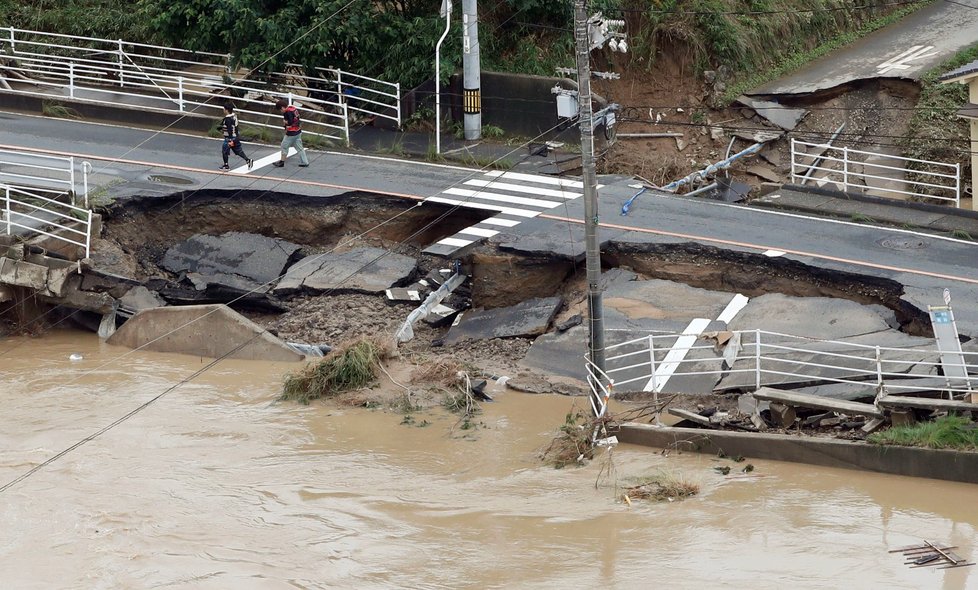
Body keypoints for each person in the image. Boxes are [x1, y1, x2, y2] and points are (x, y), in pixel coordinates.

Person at [273, 98, 309, 168]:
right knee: (299, 147)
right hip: (298, 131)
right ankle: (305, 162)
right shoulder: (293, 108)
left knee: (284, 145)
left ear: (283, 107)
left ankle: (282, 162)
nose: (281, 111)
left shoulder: (287, 112)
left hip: (291, 132)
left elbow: (290, 122)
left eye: (280, 110)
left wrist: (285, 122)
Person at [219, 104, 253, 171]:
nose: (223, 110)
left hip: (229, 138)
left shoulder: (227, 119)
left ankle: (226, 166)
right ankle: (248, 160)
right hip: (236, 137)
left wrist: (230, 140)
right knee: (238, 151)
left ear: (226, 110)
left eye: (224, 109)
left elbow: (229, 130)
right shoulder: (234, 117)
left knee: (225, 151)